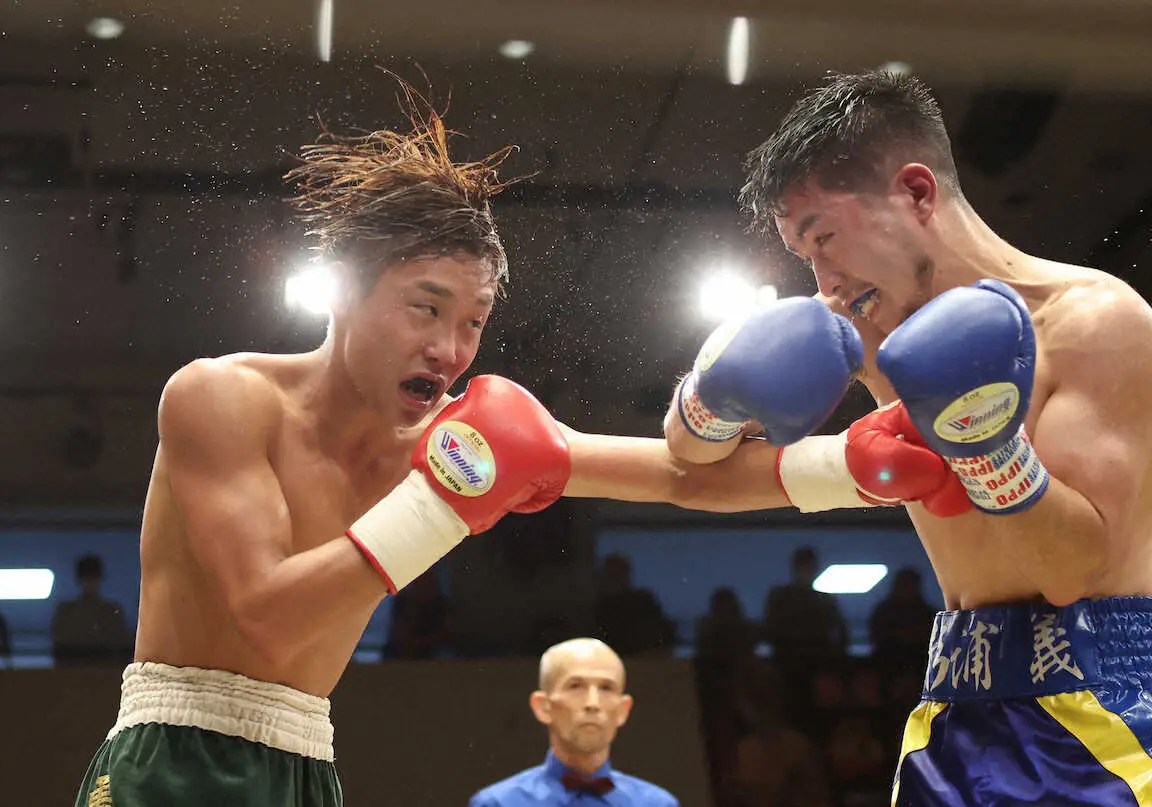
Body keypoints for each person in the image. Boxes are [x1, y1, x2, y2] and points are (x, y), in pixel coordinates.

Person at [68, 74, 824, 807]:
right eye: (425, 310)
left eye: (473, 322)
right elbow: (268, 614)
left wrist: (853, 467)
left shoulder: (456, 439)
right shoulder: (222, 398)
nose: (449, 350)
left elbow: (679, 476)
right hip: (176, 755)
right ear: (345, 288)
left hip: (304, 766)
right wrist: (440, 505)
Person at [664, 68, 1152, 806]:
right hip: (956, 705)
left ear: (917, 193)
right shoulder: (862, 325)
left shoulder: (1093, 323)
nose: (824, 281)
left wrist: (984, 449)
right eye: (805, 257)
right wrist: (708, 401)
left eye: (825, 239)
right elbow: (691, 456)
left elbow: (1070, 574)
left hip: (1103, 712)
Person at [467, 637, 678, 807]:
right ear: (543, 706)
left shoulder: (657, 804)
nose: (592, 703)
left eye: (606, 688)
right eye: (575, 686)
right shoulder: (498, 804)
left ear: (623, 710)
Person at [51, 553, 132, 666]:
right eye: (86, 577)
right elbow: (59, 648)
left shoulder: (111, 612)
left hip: (106, 670)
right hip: (72, 671)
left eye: (93, 577)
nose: (89, 582)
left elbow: (121, 648)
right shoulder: (66, 612)